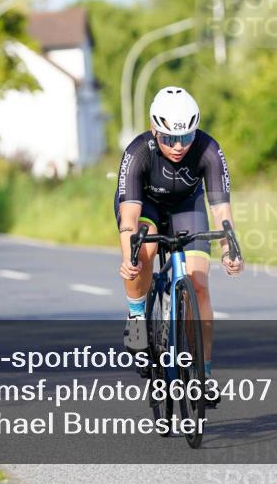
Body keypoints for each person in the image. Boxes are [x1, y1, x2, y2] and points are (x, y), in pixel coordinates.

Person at [115, 86, 243, 381]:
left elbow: (221, 211)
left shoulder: (208, 149)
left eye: (186, 137)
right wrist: (128, 257)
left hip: (187, 206)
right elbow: (129, 216)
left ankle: (203, 373)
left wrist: (230, 250)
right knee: (143, 249)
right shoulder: (138, 152)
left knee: (198, 285)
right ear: (154, 129)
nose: (178, 146)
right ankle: (136, 314)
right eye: (169, 138)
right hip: (144, 204)